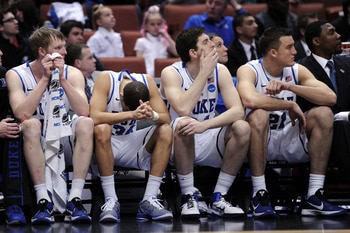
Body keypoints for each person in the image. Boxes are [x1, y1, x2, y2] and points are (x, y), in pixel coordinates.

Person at [236, 26, 347, 218]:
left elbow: (330, 97)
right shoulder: (249, 70)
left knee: (324, 113)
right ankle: (260, 194)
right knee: (258, 114)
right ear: (273, 52)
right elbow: (250, 100)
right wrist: (288, 105)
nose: (295, 51)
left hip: (291, 137)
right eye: (289, 47)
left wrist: (290, 86)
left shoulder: (296, 70)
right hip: (261, 139)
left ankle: (314, 194)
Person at [160, 26, 250, 220]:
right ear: (193, 53)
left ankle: (220, 196)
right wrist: (204, 73)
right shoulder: (171, 72)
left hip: (207, 134)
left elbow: (237, 111)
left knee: (242, 127)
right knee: (185, 121)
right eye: (206, 42)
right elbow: (183, 108)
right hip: (177, 143)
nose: (213, 45)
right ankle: (188, 195)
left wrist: (205, 126)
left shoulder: (221, 71)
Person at [6, 26, 94, 224]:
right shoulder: (16, 74)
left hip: (65, 137)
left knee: (86, 123)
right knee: (31, 124)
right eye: (59, 47)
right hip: (35, 141)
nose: (65, 52)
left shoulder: (73, 73)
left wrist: (61, 79)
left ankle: (75, 198)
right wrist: (45, 79)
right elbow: (21, 113)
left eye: (64, 47)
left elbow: (83, 111)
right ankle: (42, 201)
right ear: (42, 52)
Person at [89, 69, 173, 222]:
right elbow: (94, 117)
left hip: (131, 143)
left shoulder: (147, 80)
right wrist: (130, 115)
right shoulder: (106, 79)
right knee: (102, 128)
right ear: (121, 97)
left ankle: (149, 198)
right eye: (127, 107)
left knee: (166, 130)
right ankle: (111, 200)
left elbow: (166, 117)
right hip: (107, 143)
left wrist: (152, 115)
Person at [298, 20, 350, 183]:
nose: (338, 36)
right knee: (341, 125)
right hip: (321, 130)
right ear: (316, 41)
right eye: (332, 32)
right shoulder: (302, 68)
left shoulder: (347, 64)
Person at [0, 48, 36, 225]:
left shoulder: (3, 75)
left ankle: (14, 204)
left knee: (13, 129)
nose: (1, 53)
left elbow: (11, 110)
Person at [134, 5, 177, 77]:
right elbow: (139, 62)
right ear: (146, 26)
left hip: (164, 73)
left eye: (159, 24)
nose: (156, 26)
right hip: (147, 73)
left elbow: (176, 53)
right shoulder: (141, 41)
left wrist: (167, 37)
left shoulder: (165, 40)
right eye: (152, 24)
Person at [183, 0, 247, 47]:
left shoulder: (230, 21)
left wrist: (235, 4)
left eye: (218, 4)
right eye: (210, 2)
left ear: (224, 8)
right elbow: (184, 44)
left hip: (228, 61)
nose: (212, 6)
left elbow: (249, 23)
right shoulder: (195, 20)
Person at [226, 13, 261, 77]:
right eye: (250, 23)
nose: (256, 26)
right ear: (239, 29)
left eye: (255, 22)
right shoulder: (231, 51)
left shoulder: (263, 46)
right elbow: (235, 75)